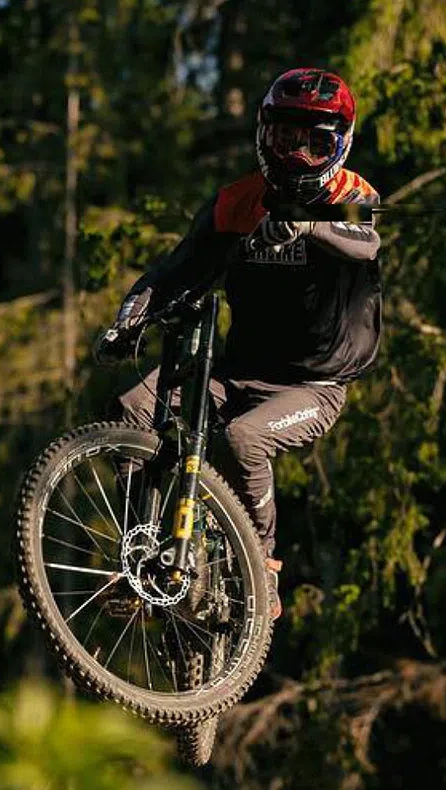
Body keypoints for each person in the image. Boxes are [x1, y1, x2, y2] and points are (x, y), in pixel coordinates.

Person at [92, 67, 385, 622]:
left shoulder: (353, 194)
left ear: (339, 145)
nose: (297, 156)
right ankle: (144, 553)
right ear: (264, 135)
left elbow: (365, 240)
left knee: (243, 440)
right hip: (234, 370)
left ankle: (263, 565)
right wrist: (128, 318)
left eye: (314, 144)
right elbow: (175, 269)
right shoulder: (237, 202)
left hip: (313, 385)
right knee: (133, 407)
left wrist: (307, 224)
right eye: (285, 140)